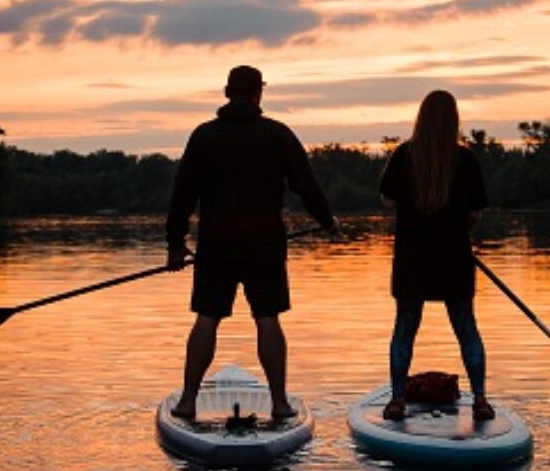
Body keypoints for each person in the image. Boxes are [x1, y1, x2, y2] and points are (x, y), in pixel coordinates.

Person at [166, 65, 338, 420]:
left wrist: (174, 244)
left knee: (207, 318)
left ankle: (187, 402)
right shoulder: (277, 135)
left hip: (217, 244)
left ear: (227, 92)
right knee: (268, 318)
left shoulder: (205, 136)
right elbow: (306, 185)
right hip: (265, 244)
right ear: (259, 92)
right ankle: (278, 403)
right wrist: (328, 222)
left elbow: (182, 195)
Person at [379, 90, 495, 422]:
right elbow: (475, 215)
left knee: (405, 328)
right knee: (466, 329)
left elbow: (387, 201)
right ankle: (481, 400)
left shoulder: (404, 156)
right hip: (453, 259)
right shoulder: (466, 160)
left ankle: (397, 400)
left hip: (412, 260)